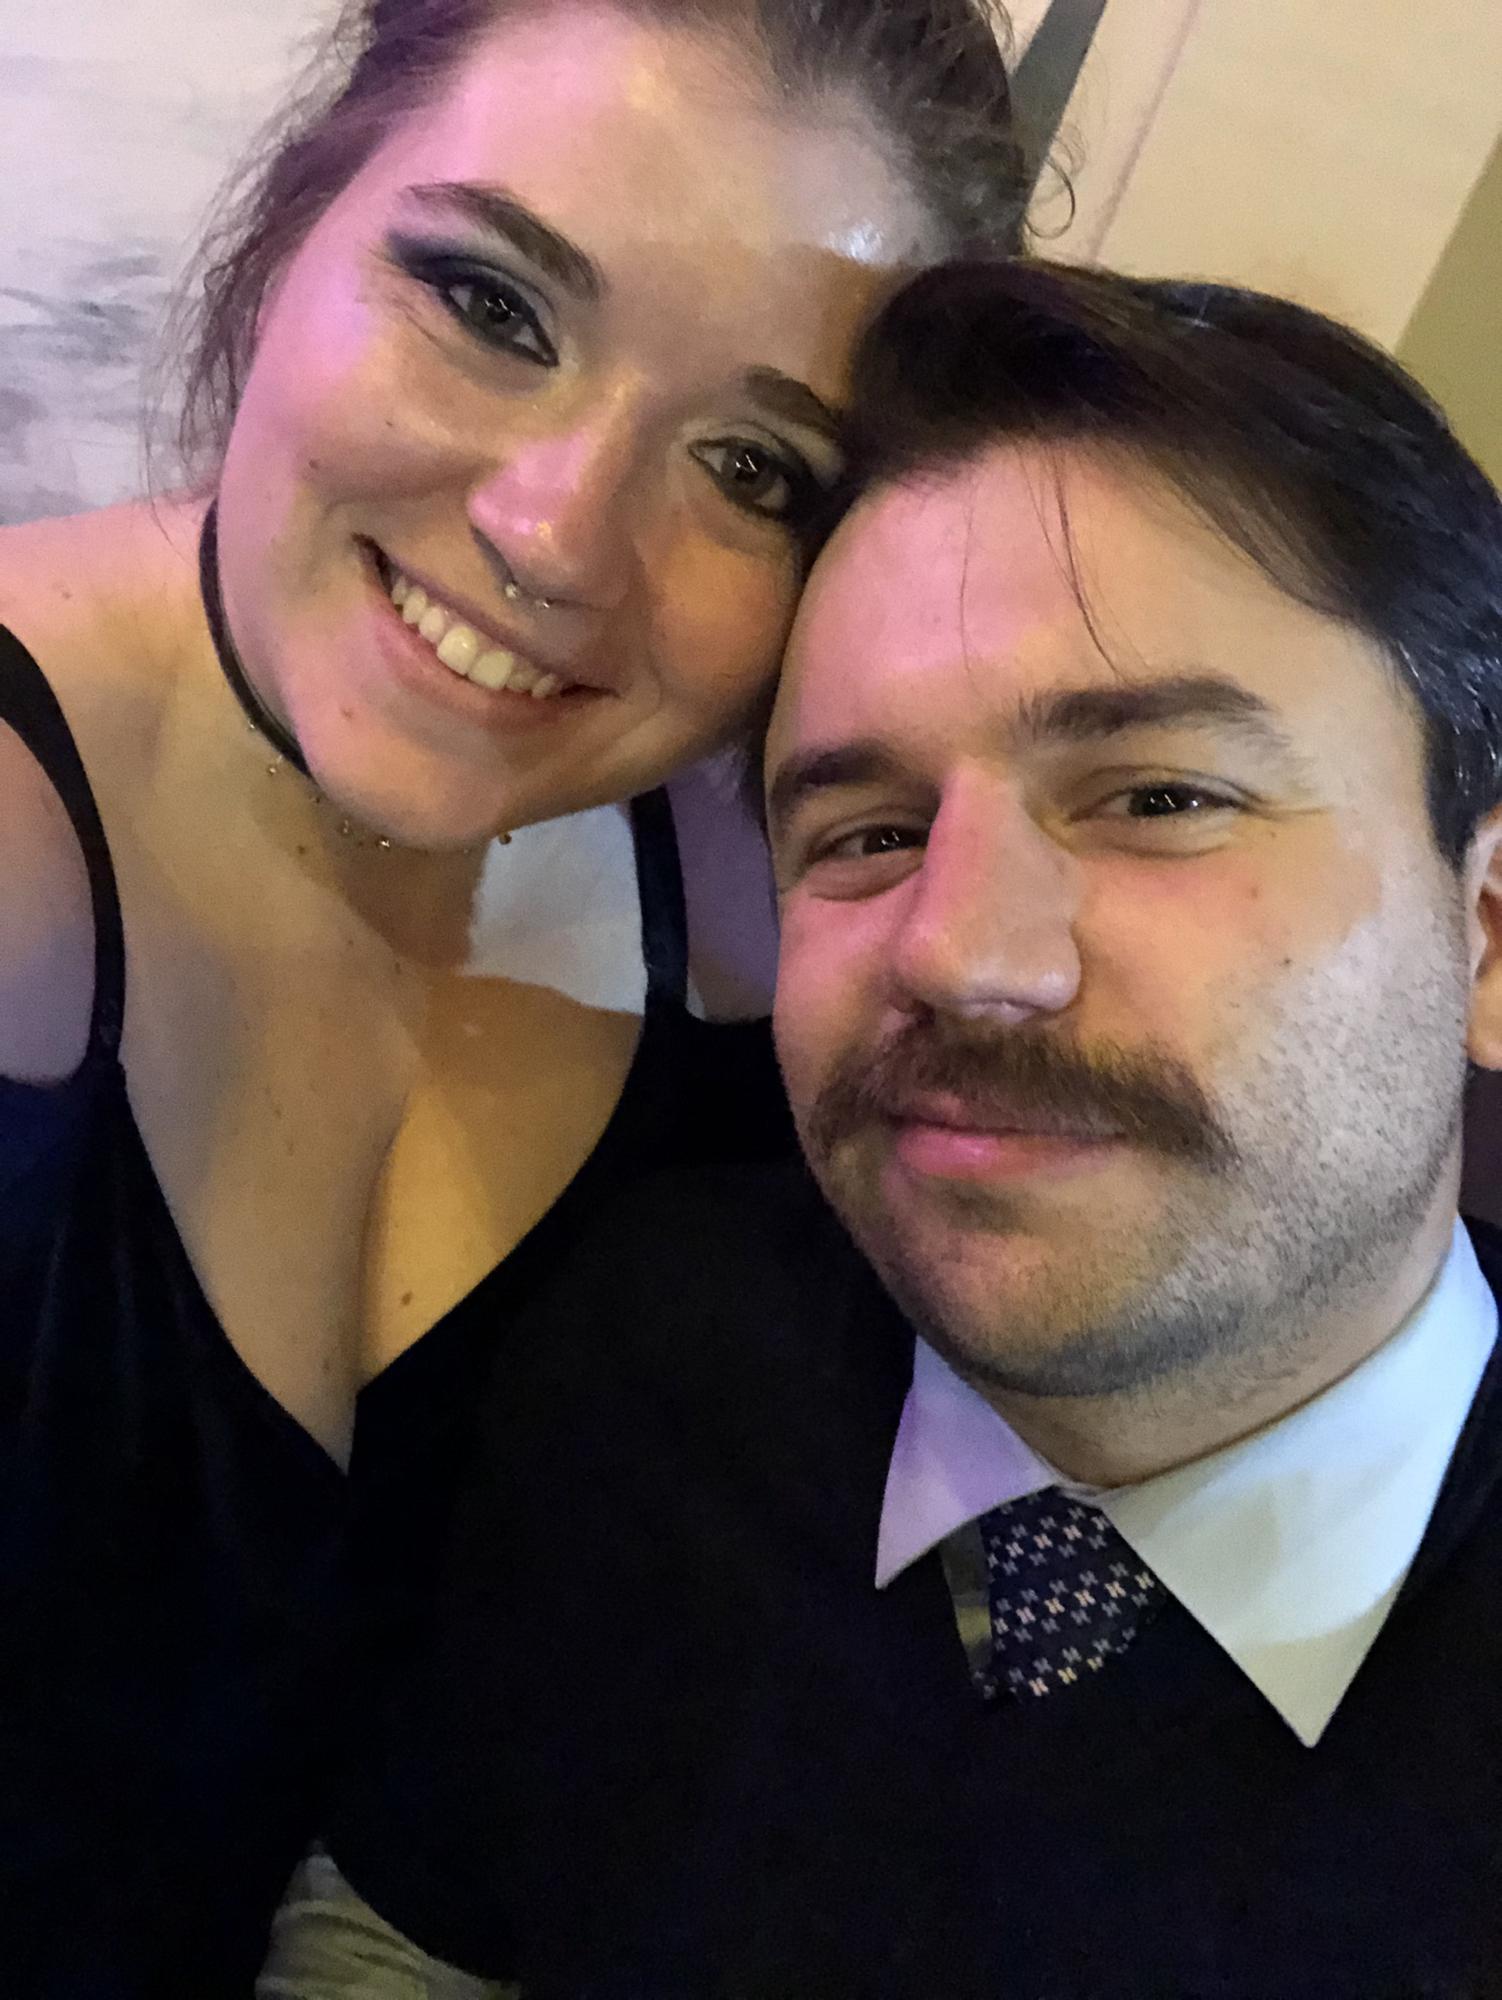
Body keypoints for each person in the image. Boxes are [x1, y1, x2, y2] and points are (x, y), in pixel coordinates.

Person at [277, 261, 1502, 1998]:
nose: (956, 953)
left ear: (1484, 935)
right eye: (862, 834)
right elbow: (413, 1928)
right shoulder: (659, 1360)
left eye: (1157, 797)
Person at [0, 1, 1026, 1987]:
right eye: (489, 303)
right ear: (296, 221)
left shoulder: (772, 952)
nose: (556, 535)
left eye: (752, 465)